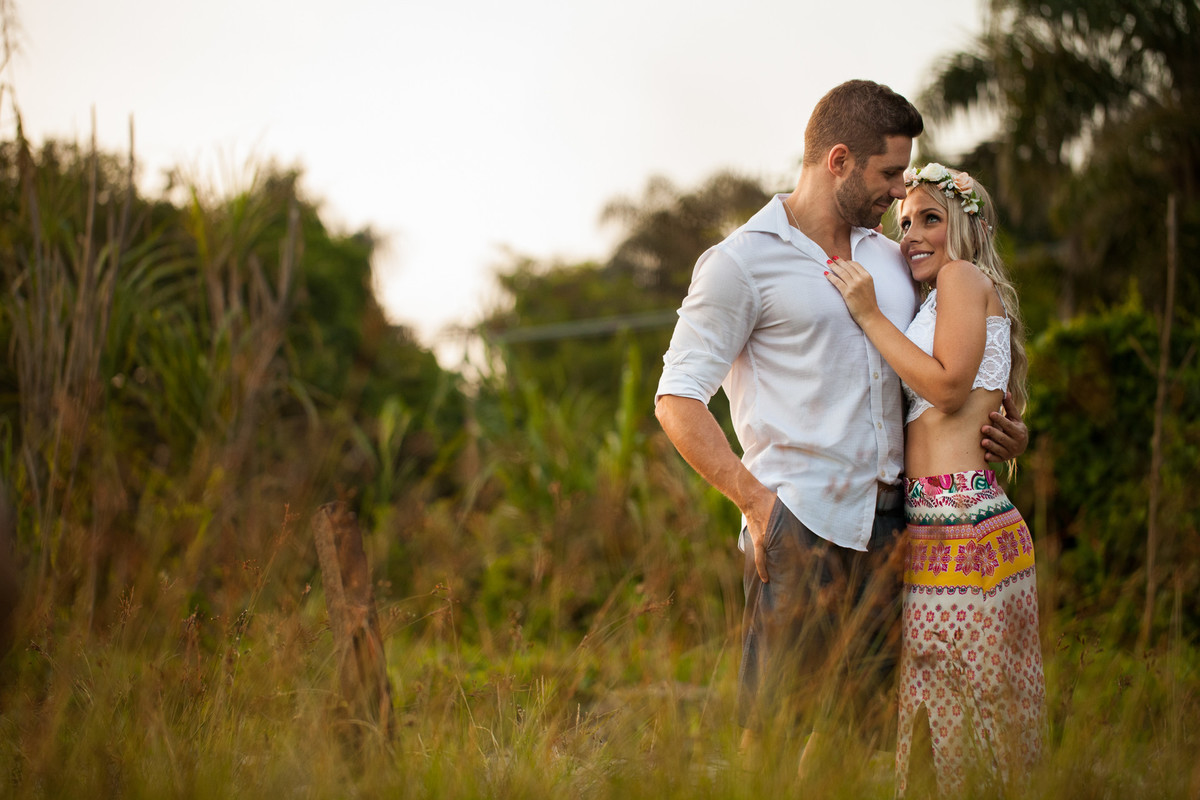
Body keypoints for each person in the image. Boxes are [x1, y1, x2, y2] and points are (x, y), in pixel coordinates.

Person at [653, 79, 1029, 766]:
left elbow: (948, 363)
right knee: (773, 736)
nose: (899, 191)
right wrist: (759, 506)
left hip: (899, 532)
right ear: (838, 161)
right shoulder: (741, 263)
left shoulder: (893, 257)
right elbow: (676, 400)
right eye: (888, 173)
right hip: (802, 527)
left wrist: (999, 427)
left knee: (865, 745)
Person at [824, 163, 1045, 794]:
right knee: (957, 709)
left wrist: (868, 314)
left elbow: (948, 389)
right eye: (905, 222)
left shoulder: (961, 275)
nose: (913, 235)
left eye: (930, 219)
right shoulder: (943, 297)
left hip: (961, 523)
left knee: (962, 715)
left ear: (966, 228)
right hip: (946, 517)